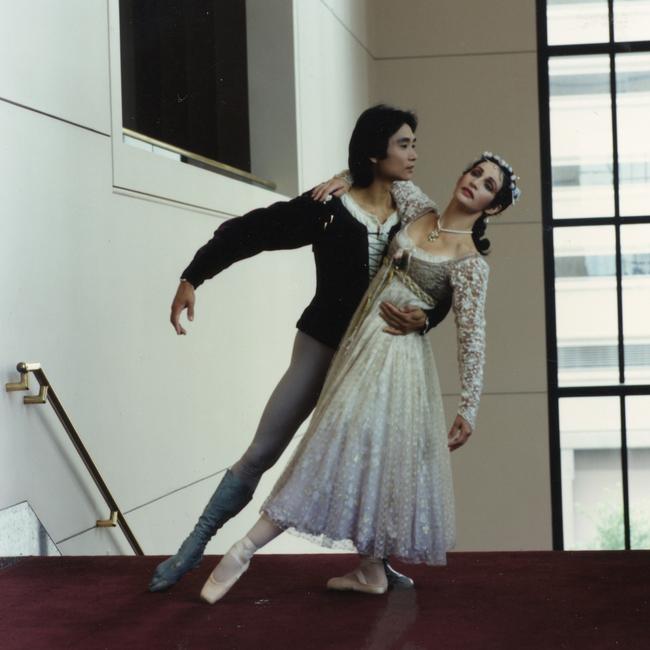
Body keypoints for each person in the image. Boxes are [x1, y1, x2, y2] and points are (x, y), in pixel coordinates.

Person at [149, 105, 453, 593]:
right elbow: (255, 230)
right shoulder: (328, 207)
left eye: (414, 143)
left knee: (377, 458)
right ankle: (193, 546)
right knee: (262, 451)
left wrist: (427, 319)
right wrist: (193, 275)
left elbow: (442, 285)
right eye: (404, 144)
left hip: (376, 361)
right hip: (321, 347)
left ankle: (374, 564)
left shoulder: (417, 215)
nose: (415, 153)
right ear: (375, 151)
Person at [198, 152, 521, 603]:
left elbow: (473, 336)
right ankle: (371, 571)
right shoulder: (417, 207)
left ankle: (244, 549)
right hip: (356, 346)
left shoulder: (470, 263)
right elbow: (377, 170)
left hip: (397, 362)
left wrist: (468, 405)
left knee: (332, 446)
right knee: (362, 456)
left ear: (493, 207)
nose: (476, 183)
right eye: (475, 172)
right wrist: (341, 179)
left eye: (488, 185)